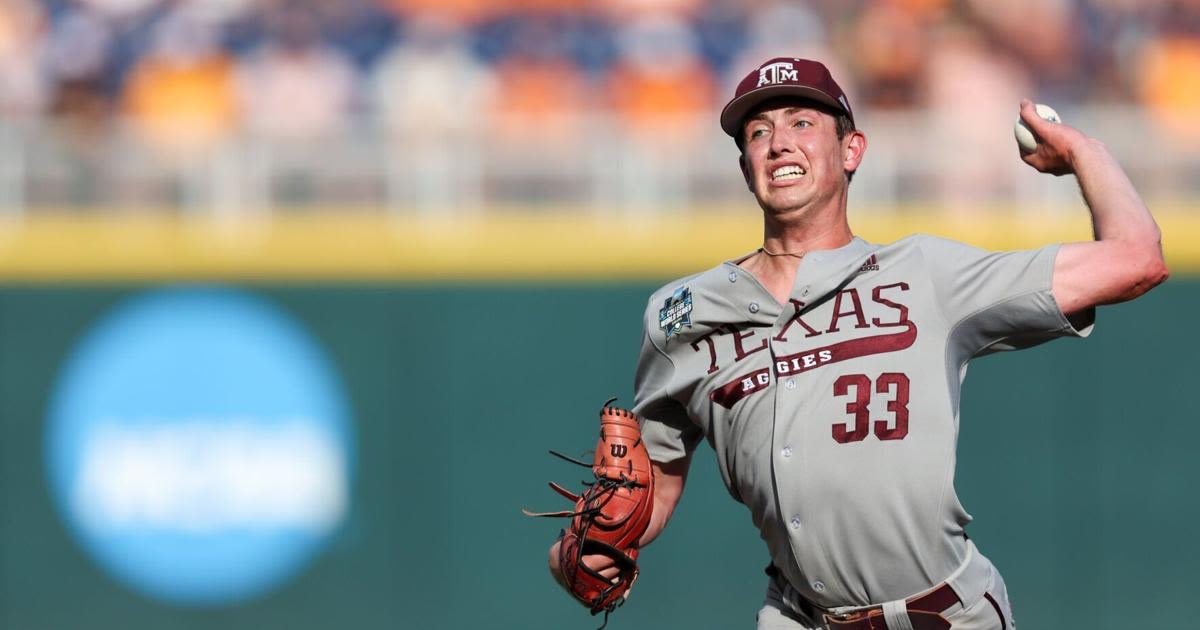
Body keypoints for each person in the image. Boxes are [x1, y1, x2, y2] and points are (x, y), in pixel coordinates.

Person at [548, 57, 1168, 629]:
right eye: (758, 132)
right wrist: (590, 548)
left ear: (852, 150)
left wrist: (1087, 153)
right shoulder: (680, 315)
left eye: (802, 121)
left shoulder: (925, 273)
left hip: (944, 614)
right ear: (744, 167)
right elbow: (651, 482)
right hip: (797, 615)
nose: (780, 142)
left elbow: (1135, 260)